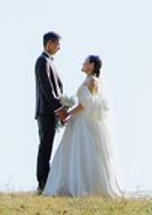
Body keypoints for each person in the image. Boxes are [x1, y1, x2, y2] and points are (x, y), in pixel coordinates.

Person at [43, 54, 125, 198]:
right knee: (71, 151)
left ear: (92, 65)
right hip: (79, 119)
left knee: (82, 150)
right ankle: (68, 185)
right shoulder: (87, 80)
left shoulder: (93, 80)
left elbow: (85, 104)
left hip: (85, 121)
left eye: (86, 62)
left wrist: (67, 112)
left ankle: (85, 186)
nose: (83, 63)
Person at [34, 31, 67, 193]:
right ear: (49, 44)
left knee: (47, 146)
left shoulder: (48, 62)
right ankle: (43, 183)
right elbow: (47, 88)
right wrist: (59, 109)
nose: (59, 48)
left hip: (50, 112)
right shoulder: (42, 61)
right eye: (58, 44)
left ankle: (46, 183)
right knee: (45, 147)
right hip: (46, 112)